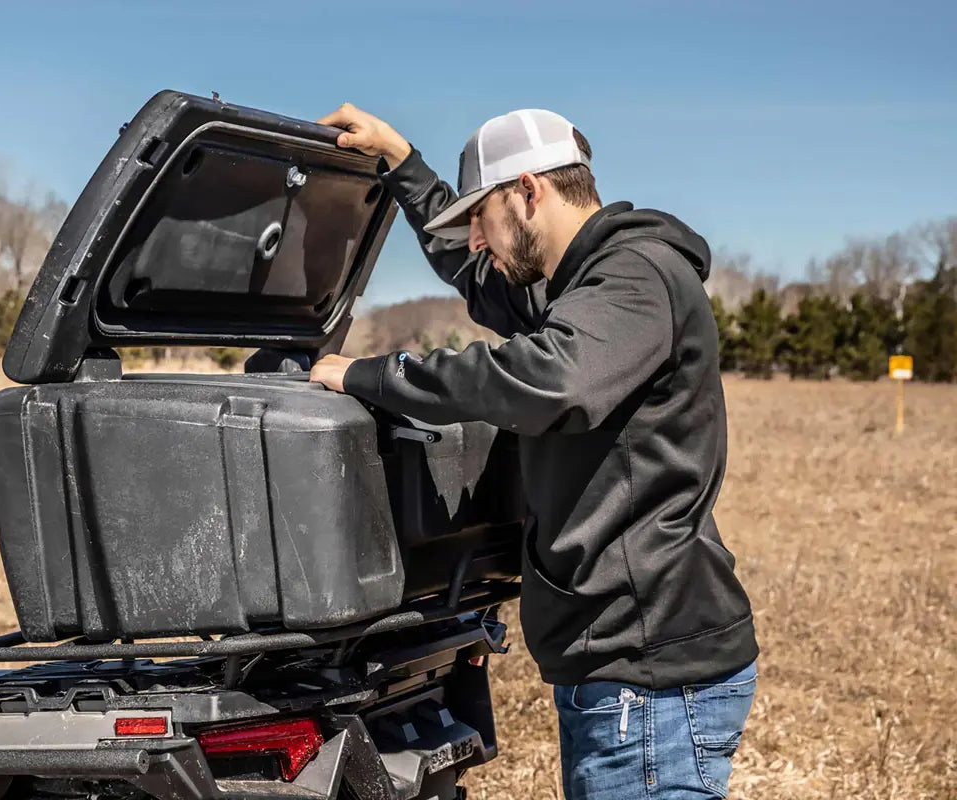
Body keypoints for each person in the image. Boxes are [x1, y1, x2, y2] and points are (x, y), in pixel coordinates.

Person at [309, 103, 760, 799]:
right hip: (619, 667)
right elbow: (474, 273)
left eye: (481, 220)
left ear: (528, 190)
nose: (479, 244)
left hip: (649, 675)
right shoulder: (579, 287)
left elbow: (548, 380)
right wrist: (401, 162)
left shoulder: (634, 276)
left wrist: (372, 373)